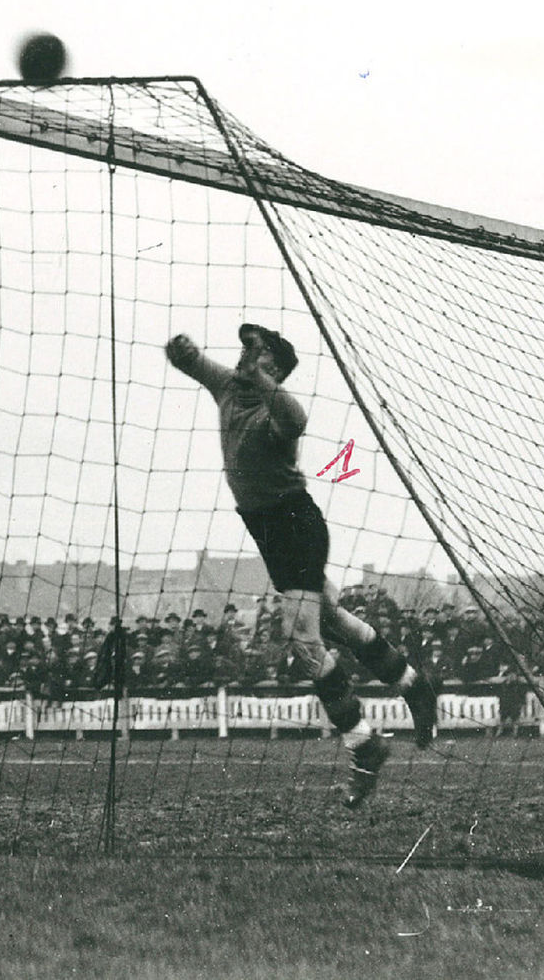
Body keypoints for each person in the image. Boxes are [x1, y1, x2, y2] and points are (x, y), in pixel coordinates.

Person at [167, 323, 438, 807]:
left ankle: (364, 744)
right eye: (249, 353)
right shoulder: (229, 385)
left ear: (277, 370)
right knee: (334, 622)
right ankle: (414, 685)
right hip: (268, 533)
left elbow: (297, 418)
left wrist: (265, 380)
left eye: (263, 359)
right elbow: (193, 364)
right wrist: (181, 351)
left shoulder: (277, 406)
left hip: (295, 524)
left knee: (303, 638)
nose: (249, 361)